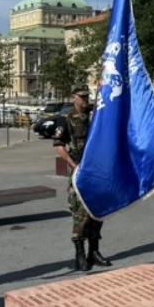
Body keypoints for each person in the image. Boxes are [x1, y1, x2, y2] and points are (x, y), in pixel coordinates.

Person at [54, 85, 111, 272]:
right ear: (74, 98)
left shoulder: (95, 116)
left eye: (87, 97)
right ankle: (79, 254)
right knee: (80, 214)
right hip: (79, 173)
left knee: (97, 212)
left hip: (97, 172)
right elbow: (59, 145)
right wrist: (73, 165)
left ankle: (93, 251)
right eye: (82, 97)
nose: (85, 100)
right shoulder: (66, 119)